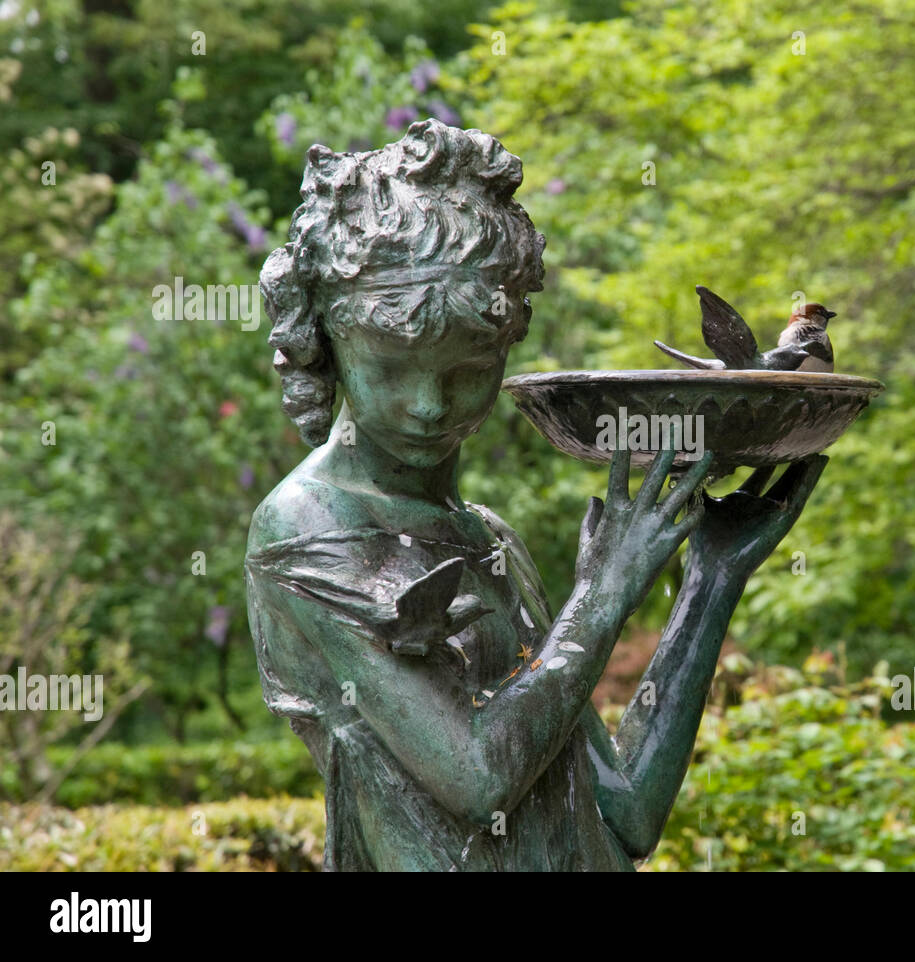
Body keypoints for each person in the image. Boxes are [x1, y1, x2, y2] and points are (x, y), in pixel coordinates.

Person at [246, 119, 826, 870]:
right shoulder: (305, 528)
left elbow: (626, 814)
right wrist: (605, 592)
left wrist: (709, 584)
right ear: (327, 344)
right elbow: (478, 778)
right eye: (392, 369)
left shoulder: (488, 539)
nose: (430, 405)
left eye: (468, 370)